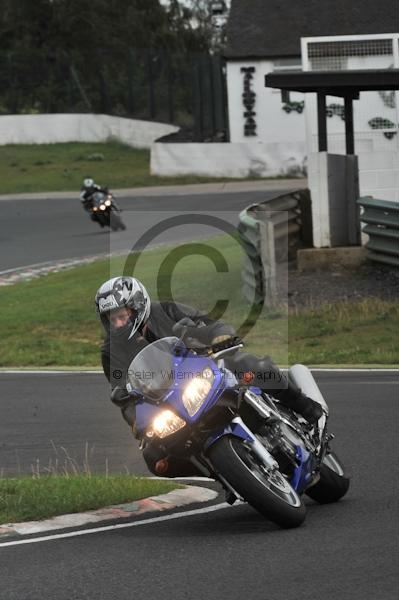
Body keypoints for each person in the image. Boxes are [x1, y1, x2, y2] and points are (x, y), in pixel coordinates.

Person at [95, 276, 323, 477]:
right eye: (111, 318)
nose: (117, 323)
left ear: (137, 306)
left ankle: (305, 406)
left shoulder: (165, 310)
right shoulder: (111, 351)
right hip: (168, 399)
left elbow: (208, 323)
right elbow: (121, 390)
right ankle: (221, 472)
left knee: (251, 365)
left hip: (203, 368)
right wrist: (137, 421)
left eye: (122, 316)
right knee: (155, 458)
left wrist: (220, 336)